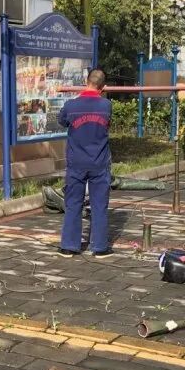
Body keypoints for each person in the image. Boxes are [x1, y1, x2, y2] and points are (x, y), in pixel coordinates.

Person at [57, 69, 112, 258]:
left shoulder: (71, 105)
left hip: (76, 162)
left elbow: (62, 121)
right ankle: (100, 248)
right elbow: (107, 125)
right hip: (99, 162)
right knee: (99, 205)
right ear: (103, 87)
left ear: (85, 81)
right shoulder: (106, 106)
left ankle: (69, 246)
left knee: (73, 203)